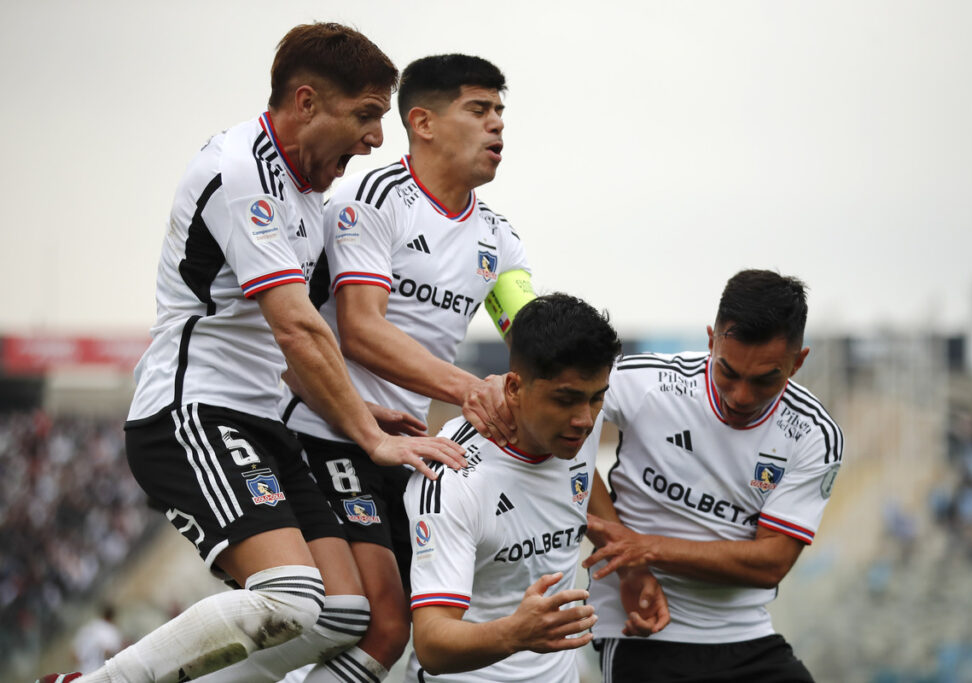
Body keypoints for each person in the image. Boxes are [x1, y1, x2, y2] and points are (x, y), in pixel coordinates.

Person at [37, 23, 466, 683]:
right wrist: (369, 435)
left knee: (342, 614)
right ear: (305, 103)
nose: (377, 138)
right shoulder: (242, 172)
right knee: (291, 595)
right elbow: (297, 329)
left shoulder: (308, 193)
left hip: (263, 422)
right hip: (194, 413)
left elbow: (293, 350)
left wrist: (357, 410)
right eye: (366, 114)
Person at [276, 53, 535, 682]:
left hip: (406, 450)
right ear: (423, 122)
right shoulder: (373, 199)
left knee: (399, 633)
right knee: (380, 623)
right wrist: (473, 389)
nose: (498, 124)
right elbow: (362, 330)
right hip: (323, 430)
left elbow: (537, 344)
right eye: (479, 109)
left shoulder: (499, 239)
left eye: (501, 111)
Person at [583, 269, 844, 682]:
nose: (742, 396)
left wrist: (646, 549)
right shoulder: (644, 384)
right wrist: (630, 566)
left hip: (746, 633)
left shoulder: (813, 433)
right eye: (729, 372)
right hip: (642, 633)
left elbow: (770, 563)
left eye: (765, 379)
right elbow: (554, 439)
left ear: (797, 362)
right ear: (711, 341)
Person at [403, 293, 643, 682]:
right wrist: (514, 634)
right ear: (513, 387)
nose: (585, 420)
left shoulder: (572, 431)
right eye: (566, 399)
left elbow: (578, 484)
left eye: (597, 398)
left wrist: (633, 568)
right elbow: (432, 644)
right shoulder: (452, 479)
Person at [72, 605, 123, 673]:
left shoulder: (89, 627)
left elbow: (74, 653)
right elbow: (110, 654)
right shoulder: (112, 633)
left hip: (82, 671)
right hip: (98, 671)